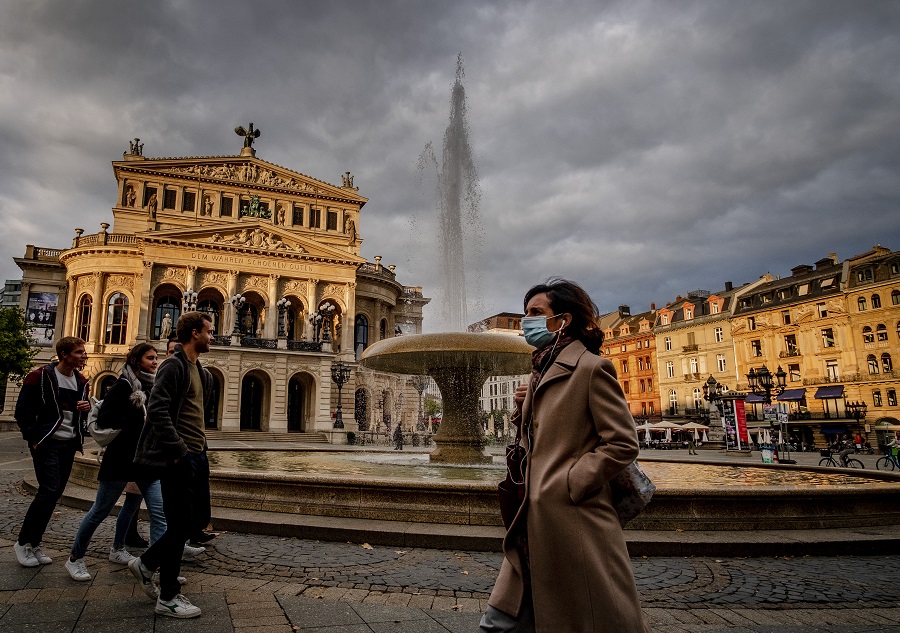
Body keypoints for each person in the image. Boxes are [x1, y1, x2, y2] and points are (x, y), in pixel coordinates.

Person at [480, 279, 651, 632]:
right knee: (500, 621)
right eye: (526, 312)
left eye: (535, 312)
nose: (527, 320)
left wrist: (570, 482)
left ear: (564, 319)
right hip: (534, 516)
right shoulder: (541, 369)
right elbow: (544, 433)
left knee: (589, 614)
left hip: (574, 519)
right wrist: (522, 408)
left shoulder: (592, 369)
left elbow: (622, 442)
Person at [129, 311, 214, 619]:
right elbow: (157, 408)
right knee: (179, 525)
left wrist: (202, 447)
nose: (212, 337)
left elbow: (195, 414)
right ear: (194, 333)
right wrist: (179, 450)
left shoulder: (200, 370)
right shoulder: (173, 366)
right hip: (178, 456)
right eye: (208, 331)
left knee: (187, 524)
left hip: (195, 453)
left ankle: (147, 563)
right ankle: (167, 597)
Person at [65, 343, 166, 581]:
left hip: (144, 461)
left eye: (156, 358)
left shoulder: (150, 387)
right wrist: (135, 419)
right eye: (150, 358)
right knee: (100, 510)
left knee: (157, 514)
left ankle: (158, 567)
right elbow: (107, 417)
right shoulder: (123, 385)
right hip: (120, 459)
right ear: (137, 360)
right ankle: (75, 558)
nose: (155, 362)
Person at [13, 337, 91, 568]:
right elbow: (23, 411)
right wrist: (34, 438)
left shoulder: (81, 380)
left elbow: (74, 414)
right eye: (78, 352)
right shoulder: (40, 376)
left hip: (68, 444)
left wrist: (85, 409)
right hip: (47, 443)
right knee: (48, 491)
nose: (83, 356)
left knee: (54, 494)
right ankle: (22, 542)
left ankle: (34, 543)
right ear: (64, 354)